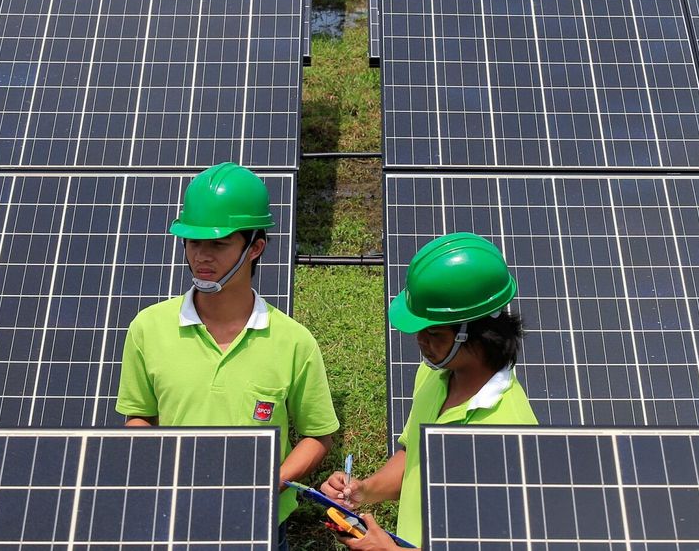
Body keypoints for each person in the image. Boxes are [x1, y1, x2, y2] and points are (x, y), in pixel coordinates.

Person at [117, 162, 339, 550]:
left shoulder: (293, 342)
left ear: (255, 247)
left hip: (261, 524)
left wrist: (270, 481)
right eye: (193, 242)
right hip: (173, 516)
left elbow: (318, 435)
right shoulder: (147, 329)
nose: (202, 256)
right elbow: (139, 416)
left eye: (218, 244)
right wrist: (162, 469)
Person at [320, 232, 538, 550]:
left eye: (433, 332)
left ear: (477, 333)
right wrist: (364, 490)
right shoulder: (434, 374)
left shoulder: (508, 430)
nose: (420, 340)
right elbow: (414, 458)